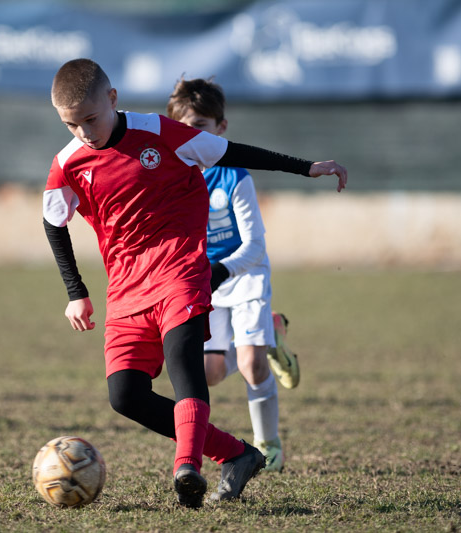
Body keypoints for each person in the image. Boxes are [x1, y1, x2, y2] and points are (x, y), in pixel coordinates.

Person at [43, 58, 346, 507]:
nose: (84, 132)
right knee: (125, 396)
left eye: (90, 119)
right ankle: (237, 454)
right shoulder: (67, 163)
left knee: (187, 372)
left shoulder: (159, 132)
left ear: (112, 99)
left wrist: (307, 168)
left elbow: (232, 152)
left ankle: (187, 468)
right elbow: (53, 223)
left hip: (181, 273)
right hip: (125, 290)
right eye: (71, 124)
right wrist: (76, 292)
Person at [166, 77, 312, 474]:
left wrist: (223, 269)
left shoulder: (234, 176)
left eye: (201, 127)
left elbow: (255, 246)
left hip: (243, 273)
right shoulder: (172, 176)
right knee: (210, 374)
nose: (193, 137)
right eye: (184, 128)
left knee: (251, 365)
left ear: (221, 128)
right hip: (206, 280)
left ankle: (269, 445)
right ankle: (270, 334)